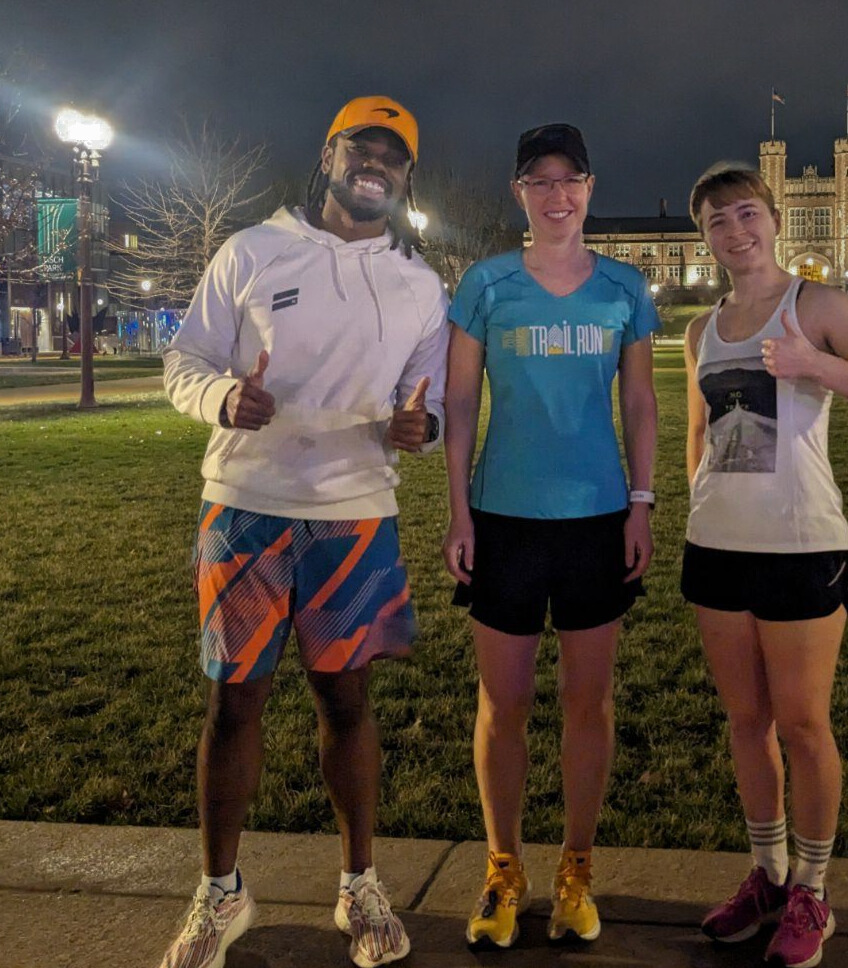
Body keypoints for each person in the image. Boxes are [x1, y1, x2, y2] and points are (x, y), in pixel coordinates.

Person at [157, 95, 449, 968]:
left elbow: (423, 405)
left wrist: (418, 431)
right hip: (245, 501)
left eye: (393, 156)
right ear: (328, 156)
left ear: (405, 177)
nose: (377, 165)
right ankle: (220, 892)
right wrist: (220, 398)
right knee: (233, 700)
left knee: (347, 701)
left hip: (356, 511)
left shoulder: (420, 284)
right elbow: (185, 359)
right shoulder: (251, 248)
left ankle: (360, 885)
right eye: (362, 147)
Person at [682, 163, 848, 968]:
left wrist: (815, 365)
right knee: (746, 724)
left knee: (805, 723)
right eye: (718, 221)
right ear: (705, 238)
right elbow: (699, 431)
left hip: (802, 545)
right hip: (716, 549)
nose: (735, 230)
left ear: (775, 220)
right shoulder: (700, 328)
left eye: (747, 213)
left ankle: (814, 890)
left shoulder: (816, 306)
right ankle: (768, 874)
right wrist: (695, 500)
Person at [442, 123, 658, 949]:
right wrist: (458, 509)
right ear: (520, 193)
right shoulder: (488, 284)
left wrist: (640, 502)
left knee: (586, 702)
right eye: (540, 181)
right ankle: (503, 869)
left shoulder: (623, 289)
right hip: (503, 519)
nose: (557, 194)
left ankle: (576, 869)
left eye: (571, 180)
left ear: (590, 189)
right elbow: (461, 405)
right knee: (504, 703)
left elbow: (639, 403)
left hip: (597, 519)